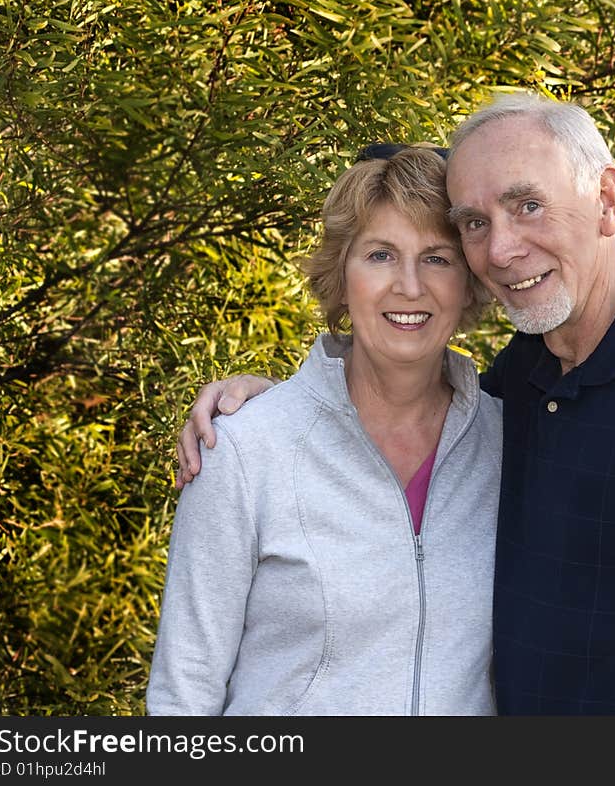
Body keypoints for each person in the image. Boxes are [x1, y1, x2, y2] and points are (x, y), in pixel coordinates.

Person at [176, 95, 615, 715]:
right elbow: (185, 693)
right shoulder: (519, 387)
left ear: (608, 202)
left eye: (528, 206)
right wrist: (272, 407)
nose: (501, 249)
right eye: (475, 223)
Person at [146, 146, 503, 715]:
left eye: (437, 258)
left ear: (469, 284)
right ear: (340, 278)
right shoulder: (245, 448)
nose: (409, 286)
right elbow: (184, 690)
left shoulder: (511, 445)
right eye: (381, 255)